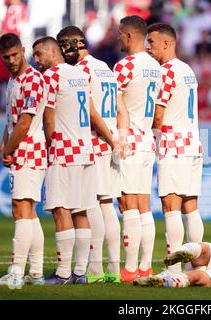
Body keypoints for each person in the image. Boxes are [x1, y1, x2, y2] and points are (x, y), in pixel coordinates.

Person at [56, 25, 130, 284]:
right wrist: (120, 138)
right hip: (111, 141)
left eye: (65, 47)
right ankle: (112, 268)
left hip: (95, 142)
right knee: (108, 206)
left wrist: (110, 139)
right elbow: (121, 109)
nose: (64, 53)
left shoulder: (80, 72)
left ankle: (96, 270)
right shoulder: (106, 68)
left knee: (93, 206)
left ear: (76, 44)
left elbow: (90, 112)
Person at [32, 36, 108, 285]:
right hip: (86, 150)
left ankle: (64, 273)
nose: (36, 60)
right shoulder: (80, 75)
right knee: (81, 210)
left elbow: (49, 118)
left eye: (38, 54)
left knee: (61, 208)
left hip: (63, 150)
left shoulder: (50, 77)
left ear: (52, 52)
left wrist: (47, 145)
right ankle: (80, 272)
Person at [0, 33, 46, 289]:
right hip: (21, 149)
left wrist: (9, 149)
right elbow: (12, 120)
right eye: (6, 57)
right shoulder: (13, 80)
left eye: (14, 55)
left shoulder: (33, 80)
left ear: (23, 50)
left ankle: (16, 272)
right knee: (29, 212)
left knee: (21, 209)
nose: (11, 60)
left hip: (29, 150)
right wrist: (4, 143)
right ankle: (36, 272)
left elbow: (24, 123)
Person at [145, 23, 204, 274]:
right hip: (193, 142)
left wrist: (153, 139)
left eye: (152, 42)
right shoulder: (187, 69)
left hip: (173, 143)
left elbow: (158, 116)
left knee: (171, 206)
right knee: (191, 207)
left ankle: (173, 269)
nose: (147, 47)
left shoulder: (166, 72)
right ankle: (196, 262)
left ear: (167, 44)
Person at [113, 15, 161, 282]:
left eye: (120, 33)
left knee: (128, 203)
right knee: (144, 204)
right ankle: (145, 267)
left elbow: (116, 107)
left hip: (128, 139)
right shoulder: (155, 66)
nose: (118, 38)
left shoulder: (125, 66)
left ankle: (130, 269)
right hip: (146, 139)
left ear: (129, 36)